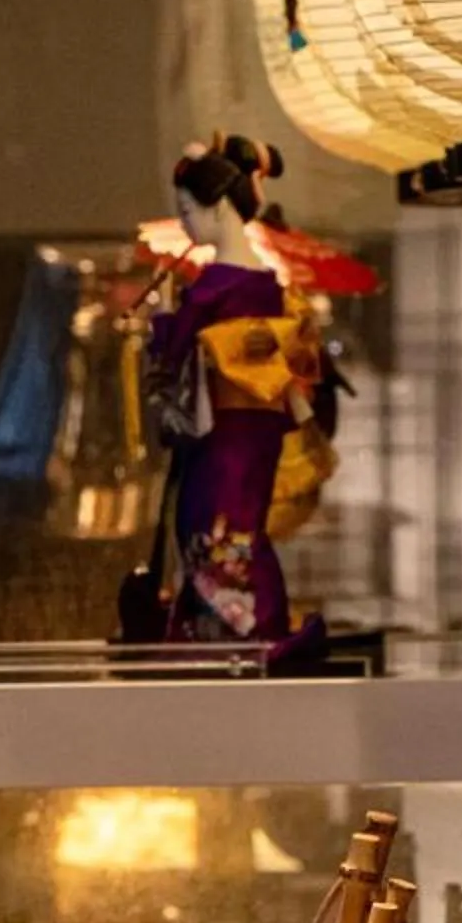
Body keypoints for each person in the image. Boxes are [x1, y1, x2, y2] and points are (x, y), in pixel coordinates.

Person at [145, 135, 324, 645]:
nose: (183, 224)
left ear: (219, 205)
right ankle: (246, 624)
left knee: (212, 524)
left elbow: (176, 353)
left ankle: (236, 632)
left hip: (221, 431)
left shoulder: (214, 287)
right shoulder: (266, 285)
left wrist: (162, 323)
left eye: (187, 211)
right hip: (255, 428)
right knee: (239, 525)